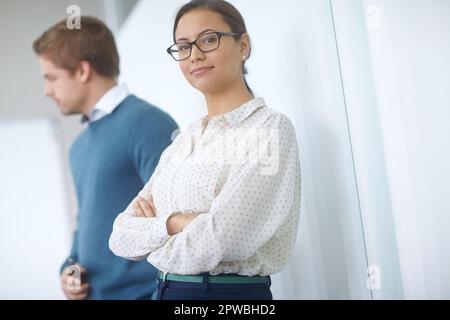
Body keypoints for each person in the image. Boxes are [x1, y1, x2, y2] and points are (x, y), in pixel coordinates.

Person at [109, 0, 301, 300]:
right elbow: (120, 236)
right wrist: (175, 222)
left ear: (243, 46)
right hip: (164, 291)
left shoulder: (269, 130)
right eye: (183, 46)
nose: (195, 55)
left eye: (209, 39)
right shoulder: (184, 141)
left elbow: (220, 241)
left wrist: (156, 234)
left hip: (224, 297)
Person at [33, 16, 178, 299]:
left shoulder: (148, 124)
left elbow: (177, 224)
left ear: (82, 70)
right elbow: (87, 223)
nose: (47, 90)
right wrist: (70, 269)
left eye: (51, 78)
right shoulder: (79, 146)